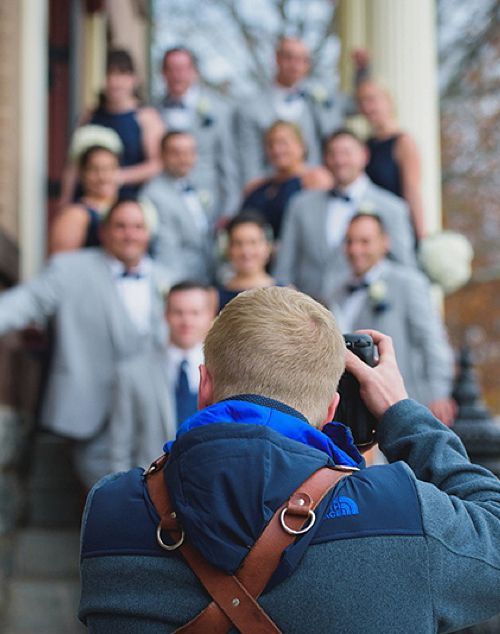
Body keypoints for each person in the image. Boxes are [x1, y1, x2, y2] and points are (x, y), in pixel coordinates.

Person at [79, 286, 500, 632]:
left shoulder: (111, 509)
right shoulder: (404, 511)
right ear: (332, 409)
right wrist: (401, 412)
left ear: (203, 385)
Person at [0, 199, 176, 488]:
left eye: (137, 226)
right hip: (90, 409)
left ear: (148, 234)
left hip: (150, 415)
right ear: (104, 232)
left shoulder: (168, 279)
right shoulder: (69, 270)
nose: (129, 234)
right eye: (120, 226)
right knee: (101, 492)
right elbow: (26, 302)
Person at [328, 213, 455, 426]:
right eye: (349, 241)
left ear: (384, 242)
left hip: (402, 400)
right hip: (353, 408)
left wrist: (438, 393)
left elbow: (432, 340)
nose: (355, 249)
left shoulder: (408, 283)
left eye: (364, 241)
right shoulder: (336, 290)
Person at [274, 128, 416, 301]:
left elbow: (404, 267)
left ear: (364, 155)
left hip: (367, 312)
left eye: (346, 153)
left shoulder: (392, 208)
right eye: (332, 154)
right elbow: (284, 267)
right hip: (309, 315)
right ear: (325, 159)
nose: (339, 160)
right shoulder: (300, 204)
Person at [109, 281, 215, 473]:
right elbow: (120, 447)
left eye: (195, 313)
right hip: (152, 488)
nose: (186, 321)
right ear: (165, 315)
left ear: (209, 316)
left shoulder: (222, 372)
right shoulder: (132, 373)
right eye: (178, 312)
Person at [59, 49, 164, 205]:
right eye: (109, 75)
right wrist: (65, 200)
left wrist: (117, 177)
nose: (114, 81)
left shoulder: (146, 117)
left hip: (126, 202)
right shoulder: (88, 116)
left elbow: (157, 164)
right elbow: (73, 164)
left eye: (121, 74)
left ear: (133, 79)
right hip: (87, 201)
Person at [235, 36, 344, 184]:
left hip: (314, 187)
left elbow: (355, 105)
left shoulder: (317, 99)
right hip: (272, 188)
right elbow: (250, 161)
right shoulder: (252, 108)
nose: (295, 65)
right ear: (276, 59)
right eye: (289, 58)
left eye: (302, 60)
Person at [157, 47, 239, 218]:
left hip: (209, 200)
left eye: (182, 69)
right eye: (171, 69)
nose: (176, 75)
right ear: (163, 73)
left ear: (194, 72)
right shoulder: (153, 112)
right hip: (164, 200)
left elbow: (228, 162)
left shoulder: (220, 110)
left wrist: (230, 208)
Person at [140, 131, 215, 284]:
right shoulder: (153, 195)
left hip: (208, 274)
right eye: (176, 153)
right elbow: (165, 249)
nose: (184, 158)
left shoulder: (198, 184)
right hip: (180, 279)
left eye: (189, 152)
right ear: (162, 155)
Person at [356, 77, 425, 241]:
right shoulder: (364, 145)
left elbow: (412, 191)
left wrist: (420, 236)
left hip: (396, 228)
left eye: (371, 100)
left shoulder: (403, 142)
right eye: (361, 102)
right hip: (369, 232)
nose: (367, 107)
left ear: (388, 101)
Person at [241, 120, 333, 240]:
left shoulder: (315, 180)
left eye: (283, 143)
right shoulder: (258, 186)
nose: (277, 149)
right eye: (270, 144)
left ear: (301, 146)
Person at [50, 144, 120, 253]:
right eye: (94, 170)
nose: (102, 177)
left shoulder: (129, 207)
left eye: (109, 169)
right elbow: (62, 263)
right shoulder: (75, 214)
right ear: (82, 174)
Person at [217, 211, 276, 310]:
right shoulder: (213, 300)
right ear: (228, 249)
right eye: (238, 243)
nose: (246, 252)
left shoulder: (286, 294)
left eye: (253, 242)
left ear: (267, 247)